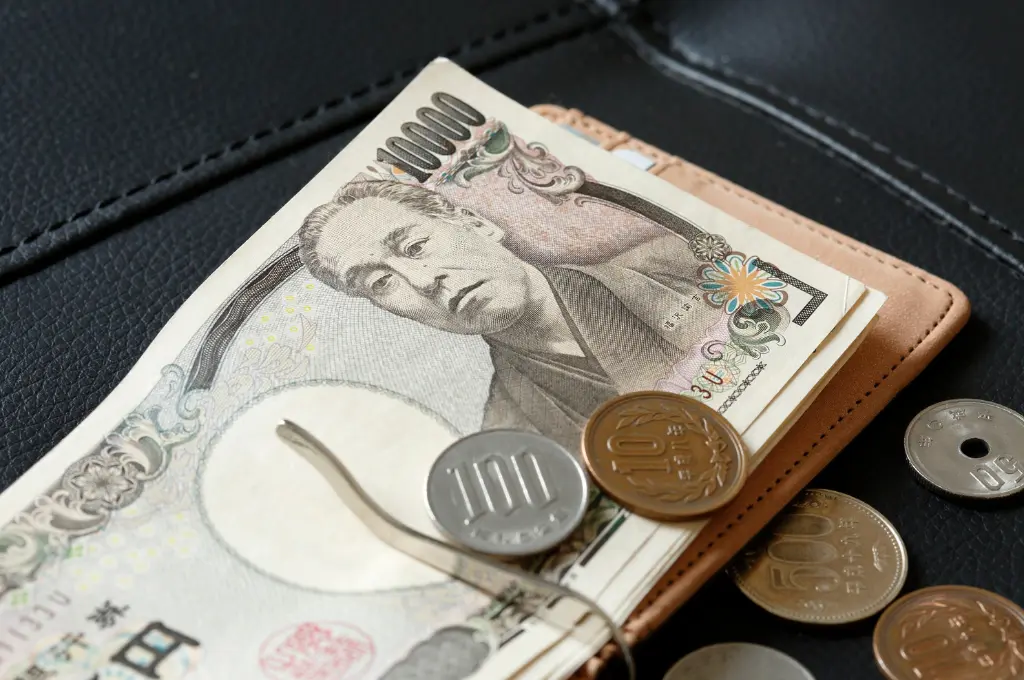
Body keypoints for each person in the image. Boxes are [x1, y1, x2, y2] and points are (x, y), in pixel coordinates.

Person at [298, 179, 723, 453]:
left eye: (414, 247)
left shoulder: (684, 265)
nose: (422, 280)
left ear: (476, 223)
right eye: (380, 283)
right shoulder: (509, 434)